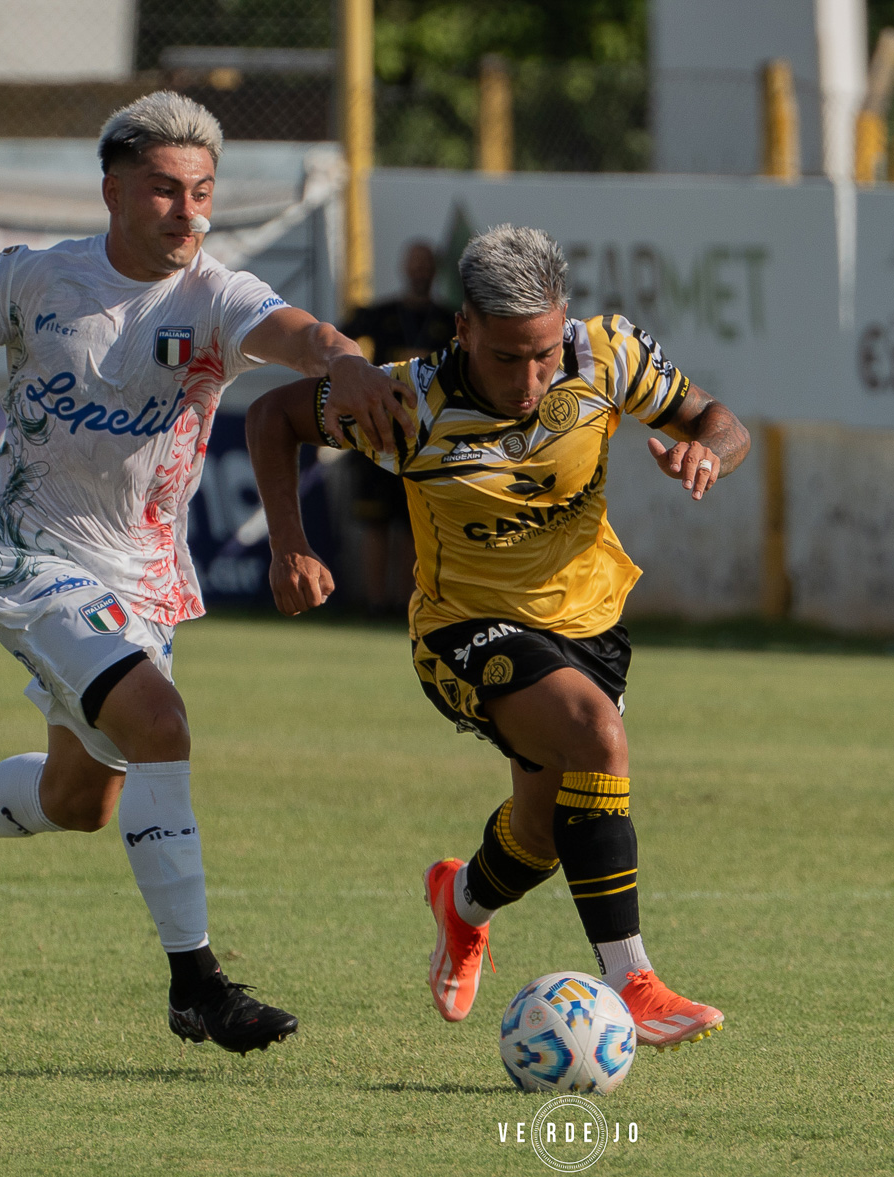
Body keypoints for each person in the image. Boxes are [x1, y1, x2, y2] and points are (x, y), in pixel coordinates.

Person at [0, 92, 413, 1055]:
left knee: (81, 802)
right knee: (161, 723)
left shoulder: (216, 297)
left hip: (146, 581)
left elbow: (303, 336)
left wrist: (350, 363)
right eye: (164, 190)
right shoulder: (32, 281)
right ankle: (196, 985)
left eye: (201, 193)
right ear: (112, 189)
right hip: (32, 559)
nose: (188, 213)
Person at [244, 225, 750, 1048]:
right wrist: (289, 545)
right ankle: (634, 984)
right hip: (463, 630)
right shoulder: (404, 402)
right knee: (598, 736)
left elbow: (721, 421)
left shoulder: (608, 356)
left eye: (544, 355)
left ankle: (461, 901)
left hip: (590, 624)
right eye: (508, 357)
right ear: (464, 331)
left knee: (546, 834)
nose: (530, 379)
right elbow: (271, 418)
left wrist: (710, 455)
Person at [338, 241, 454, 616]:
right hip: (378, 428)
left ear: (434, 271)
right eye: (414, 264)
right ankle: (375, 602)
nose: (420, 272)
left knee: (412, 524)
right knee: (376, 520)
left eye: (426, 265)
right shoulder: (382, 313)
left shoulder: (448, 319)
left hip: (427, 435)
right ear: (405, 268)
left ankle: (407, 603)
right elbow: (339, 339)